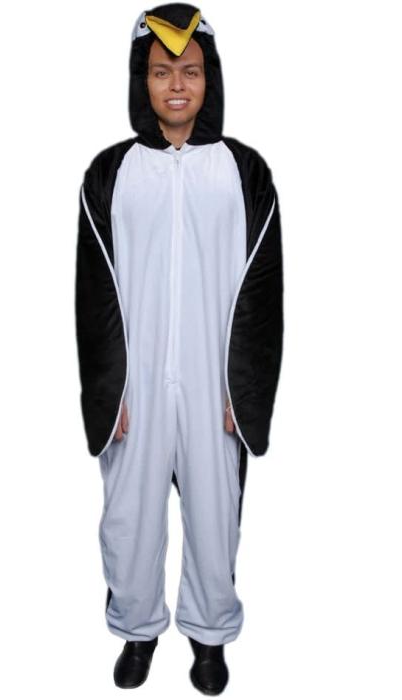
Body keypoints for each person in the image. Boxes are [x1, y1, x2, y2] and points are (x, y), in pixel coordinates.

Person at [74, 3, 284, 694]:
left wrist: (241, 388)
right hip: (135, 375)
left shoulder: (244, 172)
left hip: (212, 374)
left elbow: (263, 290)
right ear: (142, 79)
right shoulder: (109, 173)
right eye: (162, 71)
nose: (176, 85)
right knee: (129, 514)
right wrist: (110, 392)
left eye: (190, 71)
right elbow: (93, 294)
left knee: (214, 512)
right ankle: (137, 627)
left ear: (208, 78)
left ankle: (209, 633)